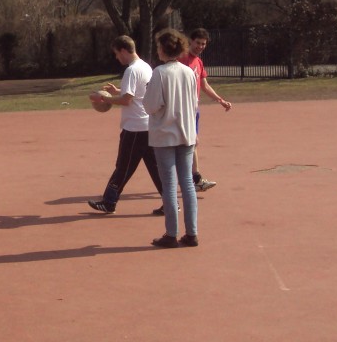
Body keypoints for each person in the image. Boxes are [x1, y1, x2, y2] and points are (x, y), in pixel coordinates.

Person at [87, 35, 164, 215]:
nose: (116, 58)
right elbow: (138, 93)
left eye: (116, 54)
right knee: (155, 167)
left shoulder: (131, 70)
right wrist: (118, 91)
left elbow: (127, 100)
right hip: (148, 125)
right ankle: (170, 202)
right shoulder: (145, 66)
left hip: (135, 128)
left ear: (123, 50)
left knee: (123, 166)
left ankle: (109, 201)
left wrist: (104, 98)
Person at [143, 29, 199, 248]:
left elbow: (151, 105)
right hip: (186, 132)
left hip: (165, 134)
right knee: (187, 183)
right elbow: (194, 103)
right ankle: (192, 232)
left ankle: (171, 233)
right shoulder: (187, 72)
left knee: (169, 184)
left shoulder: (160, 73)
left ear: (164, 49)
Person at [178, 28, 231, 191]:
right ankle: (194, 178)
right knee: (190, 143)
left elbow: (204, 85)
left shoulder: (198, 62)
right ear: (190, 41)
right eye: (198, 43)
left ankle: (192, 178)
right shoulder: (181, 59)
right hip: (182, 109)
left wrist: (220, 99)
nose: (200, 46)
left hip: (194, 109)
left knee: (191, 144)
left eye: (203, 44)